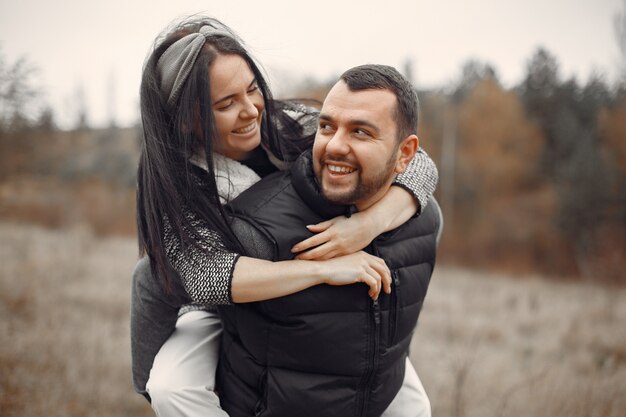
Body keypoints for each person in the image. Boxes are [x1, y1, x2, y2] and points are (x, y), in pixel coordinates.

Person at [131, 16, 438, 417]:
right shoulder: (175, 179)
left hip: (312, 305)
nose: (250, 110)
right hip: (219, 304)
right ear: (187, 118)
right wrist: (322, 270)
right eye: (226, 104)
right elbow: (209, 278)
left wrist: (365, 226)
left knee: (412, 404)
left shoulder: (294, 123)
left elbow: (420, 166)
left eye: (253, 89)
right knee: (171, 386)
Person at [217, 64, 442, 417]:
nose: (335, 146)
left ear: (405, 154)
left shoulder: (425, 220)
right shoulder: (254, 230)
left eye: (361, 132)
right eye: (326, 127)